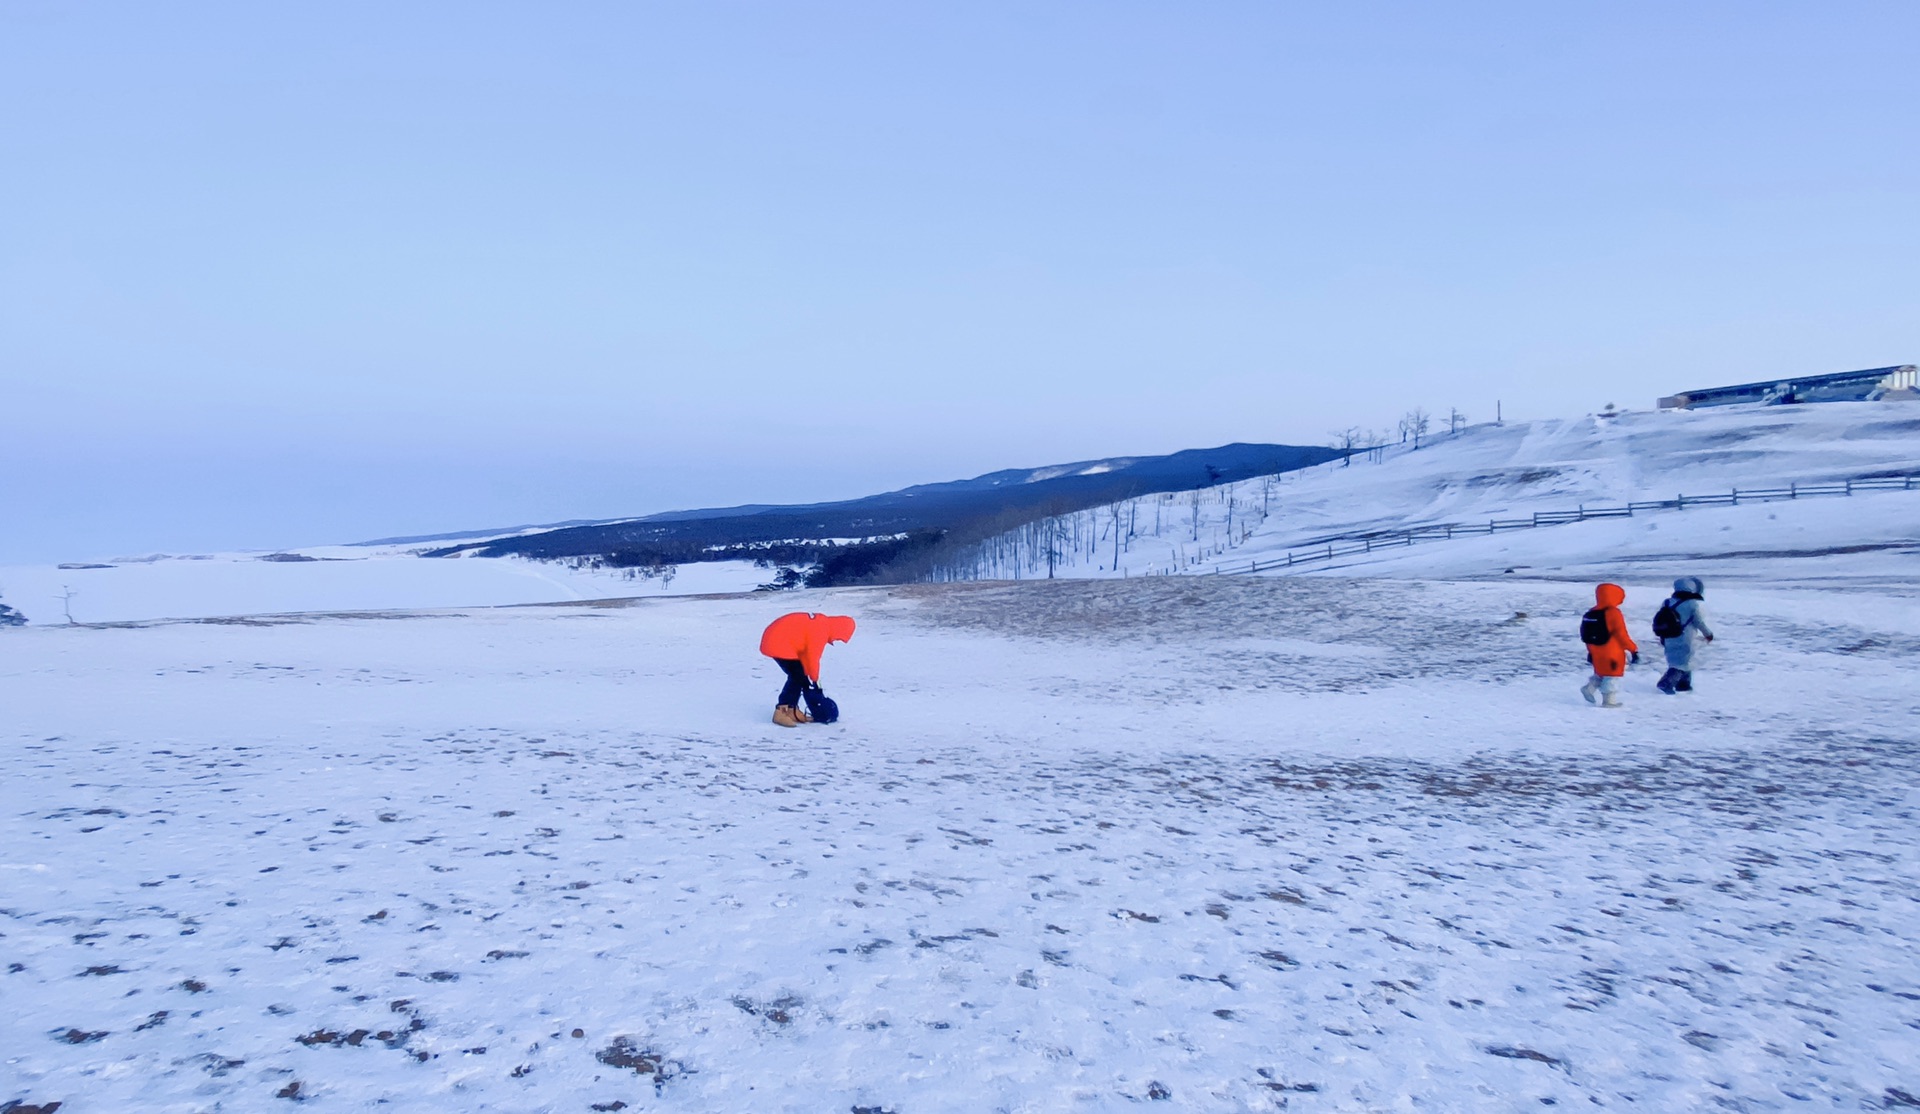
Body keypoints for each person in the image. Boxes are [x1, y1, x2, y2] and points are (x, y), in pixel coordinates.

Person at [758, 612, 856, 727]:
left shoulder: (821, 623)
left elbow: (805, 654)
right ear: (839, 629)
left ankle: (791, 710)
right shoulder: (821, 629)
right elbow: (813, 656)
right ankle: (781, 712)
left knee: (800, 676)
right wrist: (814, 679)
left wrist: (810, 675)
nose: (836, 640)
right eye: (839, 637)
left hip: (780, 640)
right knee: (796, 676)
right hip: (778, 643)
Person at [1579, 583, 1640, 708]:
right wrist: (1633, 649)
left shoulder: (1592, 612)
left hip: (1595, 649)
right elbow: (1621, 635)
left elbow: (1585, 634)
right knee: (1612, 676)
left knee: (1601, 672)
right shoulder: (1613, 613)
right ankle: (1609, 701)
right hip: (1612, 650)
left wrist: (1590, 652)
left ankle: (1589, 688)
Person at [1654, 576, 1714, 694]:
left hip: (1668, 635)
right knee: (1682, 662)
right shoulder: (1693, 604)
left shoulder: (1667, 602)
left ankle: (1683, 685)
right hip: (1685, 636)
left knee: (1677, 659)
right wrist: (1708, 634)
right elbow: (1698, 622)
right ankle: (1666, 683)